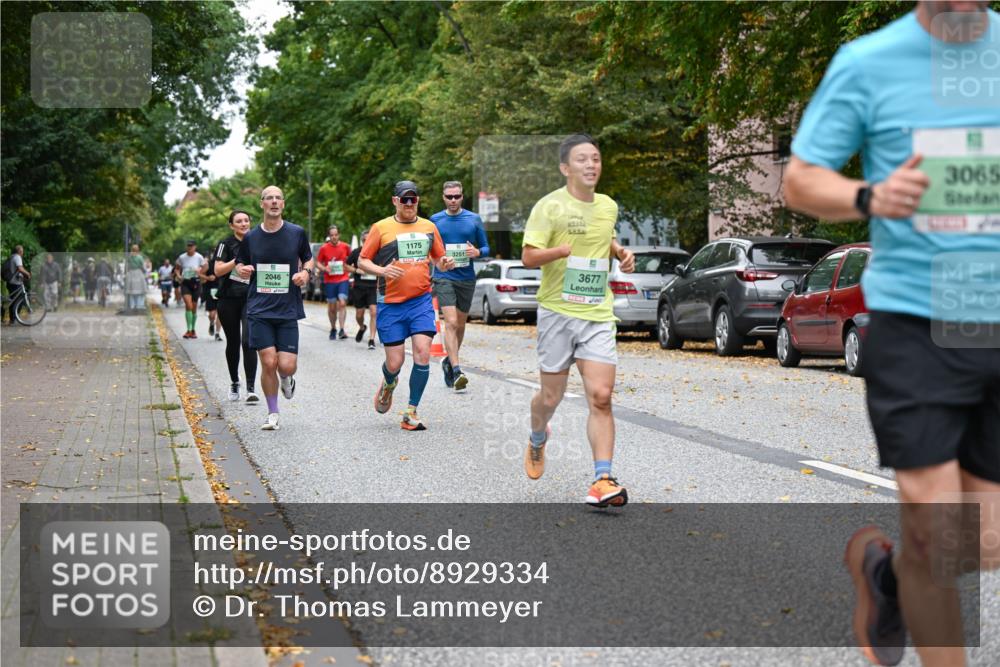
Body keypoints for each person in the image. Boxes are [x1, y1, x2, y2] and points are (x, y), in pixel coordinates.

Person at [783, 3, 1000, 665]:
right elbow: (799, 179)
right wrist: (869, 196)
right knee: (939, 532)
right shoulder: (869, 61)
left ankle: (887, 576)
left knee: (984, 541)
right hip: (915, 319)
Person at [520, 134, 635, 508]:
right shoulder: (549, 207)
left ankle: (603, 478)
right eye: (582, 159)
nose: (591, 165)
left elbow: (605, 237)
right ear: (565, 168)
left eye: (596, 158)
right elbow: (528, 257)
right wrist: (559, 251)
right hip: (557, 312)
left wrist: (619, 252)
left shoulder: (607, 206)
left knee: (601, 397)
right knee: (550, 397)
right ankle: (538, 436)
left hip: (597, 313)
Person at [358, 180, 456, 431]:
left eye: (413, 199)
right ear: (395, 201)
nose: (410, 204)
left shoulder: (429, 227)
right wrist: (382, 270)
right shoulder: (381, 228)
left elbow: (438, 258)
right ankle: (389, 383)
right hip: (390, 303)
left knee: (423, 352)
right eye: (405, 199)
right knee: (395, 362)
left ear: (418, 201)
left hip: (421, 300)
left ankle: (411, 411)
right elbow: (362, 261)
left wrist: (445, 262)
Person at [234, 186, 313, 430]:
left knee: (286, 365)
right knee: (268, 362)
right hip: (259, 308)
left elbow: (308, 258)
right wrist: (242, 269)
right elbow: (240, 262)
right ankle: (273, 413)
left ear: (283, 204)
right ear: (262, 204)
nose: (274, 202)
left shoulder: (296, 233)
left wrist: (305, 273)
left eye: (278, 198)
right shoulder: (251, 237)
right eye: (269, 198)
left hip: (287, 307)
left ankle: (287, 378)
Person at [430, 180, 490, 391]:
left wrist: (478, 253)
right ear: (443, 197)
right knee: (452, 322)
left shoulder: (473, 219)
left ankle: (449, 360)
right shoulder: (435, 220)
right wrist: (439, 261)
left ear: (462, 196)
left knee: (461, 325)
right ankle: (457, 370)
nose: (453, 200)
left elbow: (485, 247)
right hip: (444, 276)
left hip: (466, 278)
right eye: (449, 197)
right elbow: (430, 250)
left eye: (457, 196)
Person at [211, 209, 259, 404]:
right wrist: (237, 262)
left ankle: (250, 388)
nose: (243, 224)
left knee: (249, 341)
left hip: (251, 298)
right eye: (238, 221)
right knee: (233, 342)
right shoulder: (225, 244)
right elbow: (217, 270)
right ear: (231, 225)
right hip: (228, 299)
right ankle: (234, 382)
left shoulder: (257, 241)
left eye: (246, 220)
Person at [316, 224, 352, 340]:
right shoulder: (324, 248)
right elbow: (318, 262)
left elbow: (351, 260)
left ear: (339, 235)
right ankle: (333, 328)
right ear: (329, 236)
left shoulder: (345, 247)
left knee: (342, 302)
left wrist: (349, 267)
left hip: (343, 278)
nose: (334, 237)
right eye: (332, 235)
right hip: (329, 280)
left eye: (336, 235)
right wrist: (324, 268)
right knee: (332, 307)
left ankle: (342, 329)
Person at [346, 230, 379, 350]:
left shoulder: (377, 251)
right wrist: (356, 270)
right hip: (359, 287)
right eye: (364, 240)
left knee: (374, 311)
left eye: (368, 239)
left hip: (373, 287)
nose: (366, 242)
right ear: (362, 240)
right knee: (359, 314)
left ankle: (371, 339)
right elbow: (346, 265)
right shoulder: (356, 252)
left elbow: (382, 266)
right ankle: (361, 327)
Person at [176, 240, 206, 338]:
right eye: (188, 246)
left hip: (196, 283)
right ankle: (188, 330)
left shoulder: (199, 257)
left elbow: (206, 266)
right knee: (188, 305)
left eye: (191, 246)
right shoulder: (182, 257)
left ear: (195, 247)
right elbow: (177, 268)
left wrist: (200, 271)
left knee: (193, 307)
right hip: (186, 282)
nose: (189, 248)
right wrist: (179, 275)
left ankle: (193, 330)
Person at [4, 245, 31, 324]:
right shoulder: (17, 257)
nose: (23, 252)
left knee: (13, 301)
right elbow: (20, 268)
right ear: (19, 251)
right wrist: (28, 273)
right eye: (22, 251)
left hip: (10, 282)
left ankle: (12, 319)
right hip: (15, 282)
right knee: (19, 301)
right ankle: (14, 318)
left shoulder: (12, 257)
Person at [199, 262, 222, 340]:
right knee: (212, 315)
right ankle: (212, 323)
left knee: (220, 314)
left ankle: (217, 333)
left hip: (222, 291)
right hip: (210, 291)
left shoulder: (226, 262)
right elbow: (199, 274)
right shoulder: (208, 264)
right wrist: (208, 278)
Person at [124, 244, 147, 312]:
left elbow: (126, 267)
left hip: (130, 273)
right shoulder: (140, 257)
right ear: (138, 250)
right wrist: (145, 272)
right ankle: (139, 305)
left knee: (131, 291)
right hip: (138, 273)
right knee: (140, 290)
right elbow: (143, 267)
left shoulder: (129, 257)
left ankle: (132, 306)